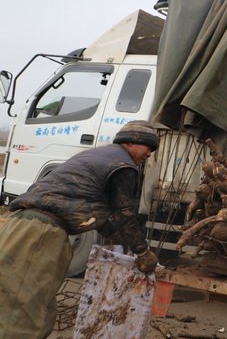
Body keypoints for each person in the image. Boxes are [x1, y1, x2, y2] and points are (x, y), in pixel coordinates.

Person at [0, 120, 160, 338]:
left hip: (20, 224)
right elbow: (125, 215)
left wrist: (122, 247)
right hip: (40, 233)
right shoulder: (124, 166)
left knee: (24, 300)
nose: (149, 153)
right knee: (24, 308)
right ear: (132, 142)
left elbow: (102, 218)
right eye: (148, 146)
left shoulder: (98, 157)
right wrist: (142, 251)